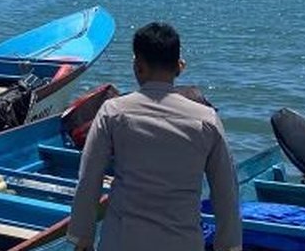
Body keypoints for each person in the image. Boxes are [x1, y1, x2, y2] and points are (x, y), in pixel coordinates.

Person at [67, 22, 242, 251]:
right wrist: (228, 245)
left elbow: (89, 179)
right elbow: (226, 192)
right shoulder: (206, 120)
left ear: (138, 67)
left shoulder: (113, 112)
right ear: (179, 67)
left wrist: (82, 237)